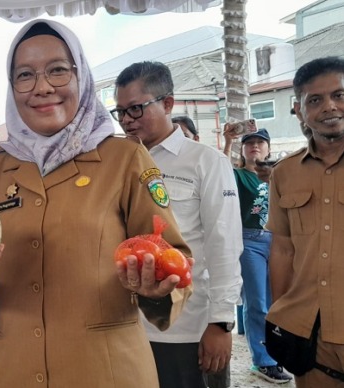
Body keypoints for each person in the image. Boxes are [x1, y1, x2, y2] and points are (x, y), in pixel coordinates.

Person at [0, 20, 192, 387]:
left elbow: (174, 257)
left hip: (106, 372)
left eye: (57, 70)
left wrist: (158, 288)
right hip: (13, 370)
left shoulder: (124, 159)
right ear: (12, 87)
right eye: (25, 75)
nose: (42, 87)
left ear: (81, 77)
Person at [114, 61, 243, 388]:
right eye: (120, 112)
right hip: (126, 326)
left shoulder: (205, 161)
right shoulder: (114, 165)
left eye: (136, 109)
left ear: (168, 103)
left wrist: (221, 323)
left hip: (188, 327)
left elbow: (223, 243)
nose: (127, 120)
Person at [267, 56, 344, 387]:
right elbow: (283, 251)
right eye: (315, 100)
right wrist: (280, 317)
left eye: (339, 95)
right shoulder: (284, 173)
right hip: (311, 337)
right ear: (299, 110)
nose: (329, 106)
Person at [222, 128, 292, 384]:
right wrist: (228, 141)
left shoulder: (280, 175)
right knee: (257, 303)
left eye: (260, 142)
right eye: (249, 142)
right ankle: (263, 361)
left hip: (277, 240)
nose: (254, 146)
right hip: (249, 240)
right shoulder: (237, 175)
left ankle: (275, 353)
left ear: (269, 148)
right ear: (242, 150)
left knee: (277, 301)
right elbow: (218, 169)